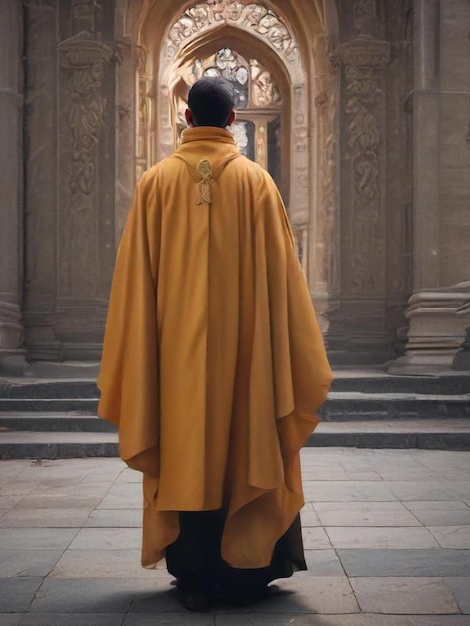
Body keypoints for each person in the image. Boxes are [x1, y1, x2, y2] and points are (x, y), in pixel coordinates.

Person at [97, 77, 332, 611]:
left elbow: (134, 286)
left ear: (186, 116)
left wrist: (144, 358)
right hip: (249, 362)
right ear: (233, 120)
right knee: (246, 439)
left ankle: (195, 572)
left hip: (173, 364)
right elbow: (284, 287)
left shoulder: (155, 184)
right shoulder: (257, 183)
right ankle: (245, 575)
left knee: (184, 446)